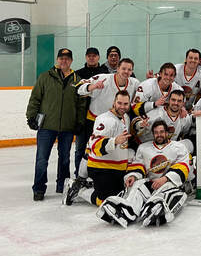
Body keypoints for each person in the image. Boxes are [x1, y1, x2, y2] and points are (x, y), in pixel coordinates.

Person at [96, 120, 191, 227]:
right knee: (136, 185)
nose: (159, 135)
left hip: (168, 182)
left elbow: (182, 166)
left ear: (167, 133)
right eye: (156, 132)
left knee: (167, 189)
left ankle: (157, 208)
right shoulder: (144, 147)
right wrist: (133, 175)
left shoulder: (179, 147)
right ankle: (127, 211)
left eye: (162, 132)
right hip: (150, 183)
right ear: (153, 134)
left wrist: (164, 179)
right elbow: (138, 164)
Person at [26, 48, 85, 201]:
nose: (64, 61)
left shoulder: (77, 80)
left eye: (67, 58)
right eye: (61, 58)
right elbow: (35, 99)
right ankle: (39, 188)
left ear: (71, 61)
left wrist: (79, 122)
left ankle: (63, 186)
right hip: (47, 126)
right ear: (57, 60)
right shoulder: (45, 77)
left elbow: (81, 104)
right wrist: (31, 117)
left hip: (67, 126)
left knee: (65, 158)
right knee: (41, 159)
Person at [63, 90, 132, 206]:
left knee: (121, 195)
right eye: (119, 103)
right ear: (114, 103)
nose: (122, 107)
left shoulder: (125, 117)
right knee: (106, 201)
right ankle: (79, 190)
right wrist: (114, 141)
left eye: (125, 104)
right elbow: (94, 143)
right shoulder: (106, 119)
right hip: (101, 167)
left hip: (117, 168)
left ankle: (93, 185)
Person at [74, 47, 107, 175]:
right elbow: (75, 94)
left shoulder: (105, 73)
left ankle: (94, 175)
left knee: (98, 147)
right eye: (89, 56)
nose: (91, 58)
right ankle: (79, 175)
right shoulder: (79, 73)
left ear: (98, 57)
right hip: (82, 118)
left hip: (99, 117)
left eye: (94, 55)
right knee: (81, 148)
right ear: (86, 57)